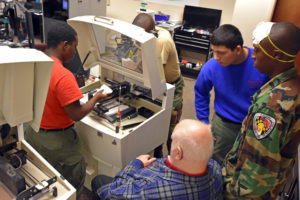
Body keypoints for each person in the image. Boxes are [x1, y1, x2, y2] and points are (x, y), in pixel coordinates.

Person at [25, 22, 108, 198]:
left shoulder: (34, 61)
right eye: (75, 46)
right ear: (65, 45)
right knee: (71, 181)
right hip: (58, 143)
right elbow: (77, 114)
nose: (75, 51)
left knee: (44, 176)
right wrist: (96, 98)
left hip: (33, 132)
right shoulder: (63, 76)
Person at [223, 22, 300, 199]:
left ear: (276, 55)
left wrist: (230, 191)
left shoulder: (269, 108)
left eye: (257, 50)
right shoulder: (293, 84)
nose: (252, 56)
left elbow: (254, 176)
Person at [91, 119, 223, 199]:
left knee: (99, 181)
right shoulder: (216, 168)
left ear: (178, 153)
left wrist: (134, 164)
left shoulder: (150, 188)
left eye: (173, 140)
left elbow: (112, 193)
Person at [194, 24, 269, 165]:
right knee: (216, 164)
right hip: (224, 124)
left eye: (221, 53)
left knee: (248, 164)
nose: (216, 57)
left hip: (254, 124)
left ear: (238, 50)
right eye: (213, 51)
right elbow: (201, 92)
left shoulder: (260, 63)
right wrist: (204, 122)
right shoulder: (211, 66)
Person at [132, 13, 184, 158]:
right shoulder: (151, 33)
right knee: (154, 119)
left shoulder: (162, 41)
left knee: (169, 125)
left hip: (171, 85)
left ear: (151, 31)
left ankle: (173, 159)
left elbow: (155, 71)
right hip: (158, 82)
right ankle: (157, 151)